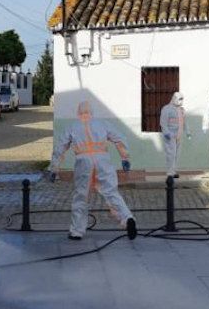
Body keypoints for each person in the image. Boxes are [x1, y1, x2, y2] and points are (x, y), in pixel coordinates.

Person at [48, 100, 137, 241]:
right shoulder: (102, 124)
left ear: (78, 113)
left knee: (81, 196)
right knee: (111, 192)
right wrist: (125, 158)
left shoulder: (72, 127)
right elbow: (119, 139)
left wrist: (54, 168)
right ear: (92, 112)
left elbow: (60, 147)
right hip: (103, 161)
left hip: (83, 162)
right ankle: (127, 218)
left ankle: (77, 231)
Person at [159, 91, 188, 178]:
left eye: (182, 99)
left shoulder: (181, 110)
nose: (181, 101)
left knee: (177, 154)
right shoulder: (166, 109)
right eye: (179, 99)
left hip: (179, 134)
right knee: (171, 154)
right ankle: (170, 172)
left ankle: (174, 170)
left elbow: (184, 122)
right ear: (174, 98)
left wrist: (188, 132)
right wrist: (166, 133)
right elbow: (163, 122)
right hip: (170, 135)